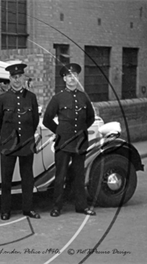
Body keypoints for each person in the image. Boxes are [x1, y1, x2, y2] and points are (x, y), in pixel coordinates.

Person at [43, 63, 96, 217]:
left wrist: (81, 130)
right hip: (63, 142)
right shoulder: (58, 98)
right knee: (60, 176)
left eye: (75, 75)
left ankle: (81, 206)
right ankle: (57, 207)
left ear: (77, 78)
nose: (72, 78)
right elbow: (47, 120)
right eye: (69, 76)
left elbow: (90, 117)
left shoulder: (83, 97)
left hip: (80, 142)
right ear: (64, 79)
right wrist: (59, 132)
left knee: (79, 176)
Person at [0, 63, 40, 220]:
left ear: (24, 78)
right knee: (6, 179)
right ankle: (5, 210)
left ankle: (28, 209)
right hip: (8, 146)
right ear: (9, 79)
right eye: (14, 77)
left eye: (19, 77)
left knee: (27, 179)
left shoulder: (31, 97)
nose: (17, 80)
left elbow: (34, 121)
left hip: (26, 144)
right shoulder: (2, 98)